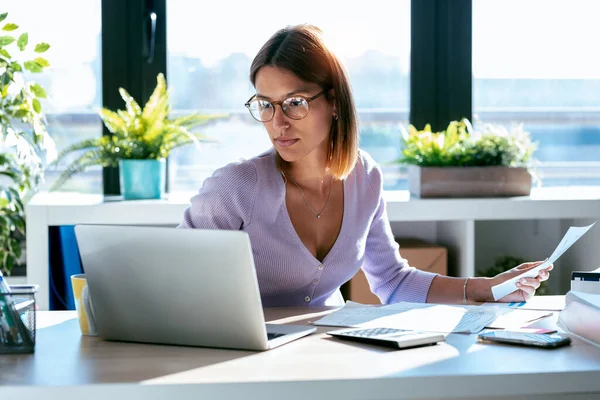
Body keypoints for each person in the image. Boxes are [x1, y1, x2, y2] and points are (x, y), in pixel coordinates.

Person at [179, 24, 552, 307]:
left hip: (328, 355)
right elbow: (172, 282)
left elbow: (392, 280)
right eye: (265, 104)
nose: (278, 122)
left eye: (295, 102)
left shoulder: (365, 177)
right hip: (242, 361)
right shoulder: (235, 187)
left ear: (335, 102)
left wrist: (486, 288)